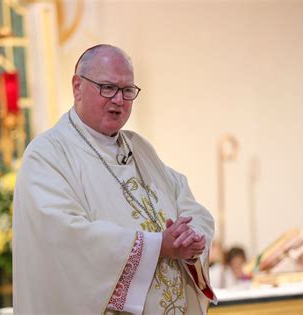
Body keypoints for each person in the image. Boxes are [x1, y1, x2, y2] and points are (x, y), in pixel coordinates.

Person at [13, 44, 216, 315]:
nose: (119, 100)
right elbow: (65, 240)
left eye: (127, 91)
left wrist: (191, 239)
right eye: (107, 88)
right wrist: (157, 246)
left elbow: (188, 203)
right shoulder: (48, 154)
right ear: (77, 87)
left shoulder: (139, 148)